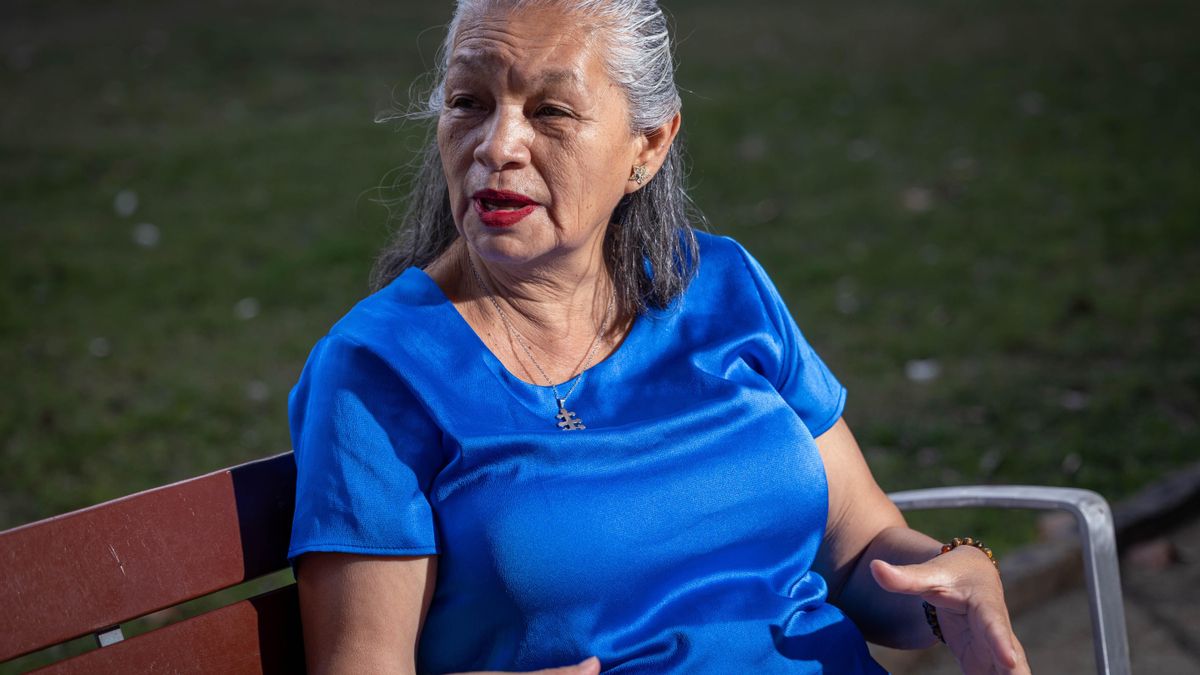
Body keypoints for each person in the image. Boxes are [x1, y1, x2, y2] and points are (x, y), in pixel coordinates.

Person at [287, 1, 1031, 673]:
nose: (497, 144)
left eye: (549, 111)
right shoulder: (378, 371)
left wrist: (953, 580)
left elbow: (862, 548)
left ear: (647, 144)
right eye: (467, 103)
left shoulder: (724, 287)